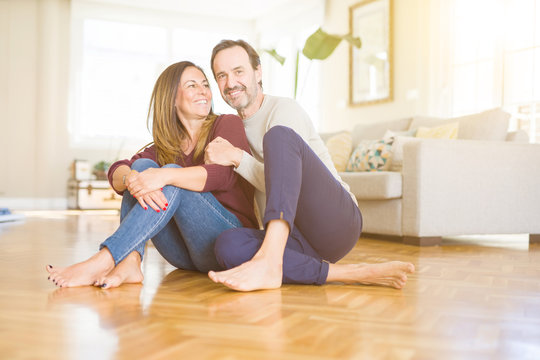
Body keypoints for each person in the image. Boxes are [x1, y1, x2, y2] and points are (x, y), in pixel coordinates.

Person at [205, 40, 415, 292]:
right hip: (296, 238)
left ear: (258, 72)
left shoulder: (283, 109)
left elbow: (287, 182)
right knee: (227, 245)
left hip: (336, 222)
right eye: (222, 75)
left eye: (238, 71)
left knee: (279, 136)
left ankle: (270, 259)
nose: (230, 83)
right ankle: (349, 273)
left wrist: (236, 157)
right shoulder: (228, 128)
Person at [46, 61, 257, 288]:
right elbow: (117, 170)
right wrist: (132, 178)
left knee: (170, 174)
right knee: (141, 168)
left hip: (226, 239)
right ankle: (130, 261)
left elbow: (221, 176)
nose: (203, 91)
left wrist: (165, 176)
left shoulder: (227, 123)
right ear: (172, 98)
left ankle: (106, 257)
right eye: (192, 85)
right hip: (184, 255)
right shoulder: (165, 147)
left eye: (205, 84)